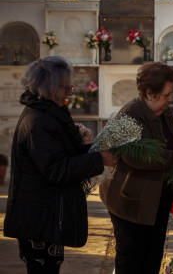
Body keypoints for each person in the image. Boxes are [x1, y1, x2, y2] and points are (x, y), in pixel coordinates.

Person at [3, 56, 116, 274]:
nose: (70, 91)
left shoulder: (48, 114)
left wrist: (91, 151)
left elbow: (61, 155)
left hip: (47, 215)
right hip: (39, 218)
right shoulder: (38, 121)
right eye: (65, 86)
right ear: (50, 88)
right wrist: (98, 160)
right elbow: (56, 169)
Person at [99, 62, 173, 274]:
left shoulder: (163, 111)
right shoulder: (130, 114)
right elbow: (132, 155)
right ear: (150, 93)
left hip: (155, 201)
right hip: (130, 203)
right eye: (167, 94)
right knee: (132, 261)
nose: (171, 99)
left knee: (152, 258)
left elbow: (168, 144)